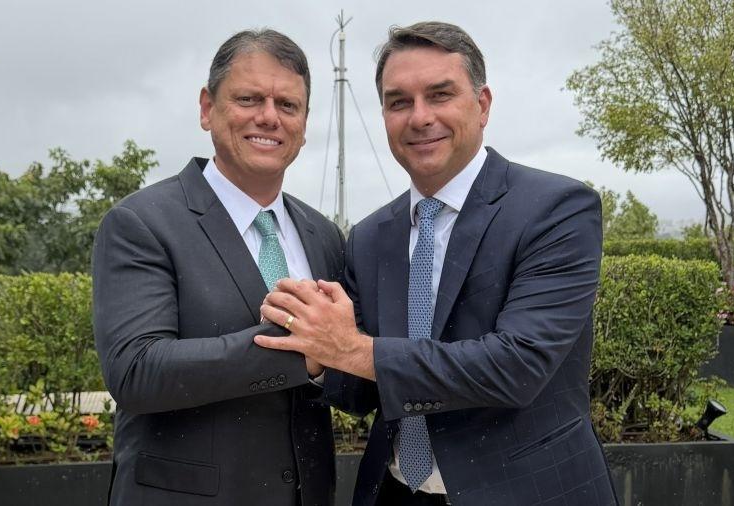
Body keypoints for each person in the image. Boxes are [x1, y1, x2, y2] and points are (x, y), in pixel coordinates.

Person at [256, 21, 618, 505]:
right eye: (399, 102)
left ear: (482, 104)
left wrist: (353, 350)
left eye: (440, 95)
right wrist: (319, 355)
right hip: (396, 491)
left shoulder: (556, 209)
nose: (420, 117)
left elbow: (517, 367)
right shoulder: (369, 238)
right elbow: (362, 389)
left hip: (527, 493)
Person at [92, 29, 344, 506]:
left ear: (304, 124)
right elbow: (136, 372)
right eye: (249, 99)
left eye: (288, 105)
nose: (269, 116)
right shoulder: (142, 223)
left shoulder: (324, 235)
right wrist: (303, 354)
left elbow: (341, 369)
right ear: (207, 108)